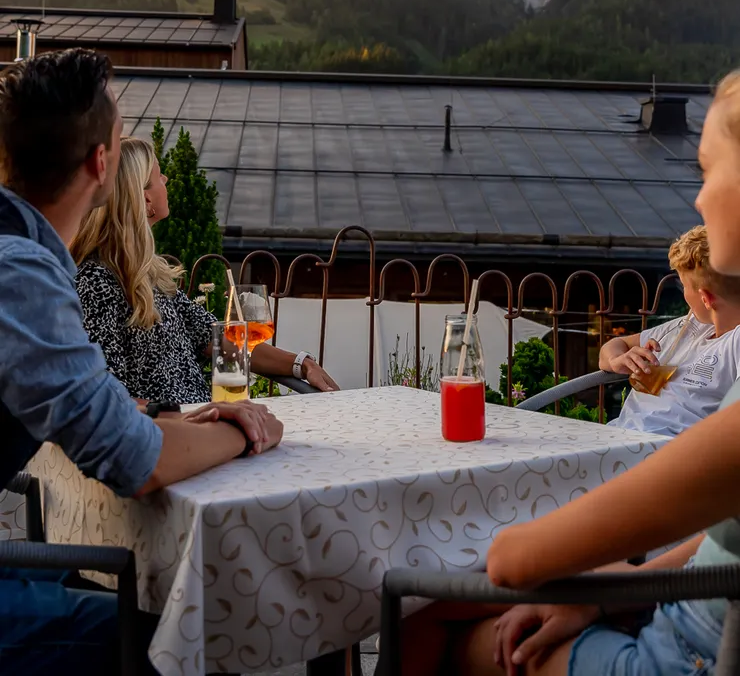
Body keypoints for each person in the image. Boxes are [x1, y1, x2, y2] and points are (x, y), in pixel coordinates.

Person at [402, 71, 740, 676]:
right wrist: (608, 591)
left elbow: (513, 559)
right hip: (680, 606)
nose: (697, 198)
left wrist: (597, 584)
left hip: (681, 656)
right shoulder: (686, 334)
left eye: (708, 170)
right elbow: (722, 544)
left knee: (425, 619)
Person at [0, 49, 284, 676]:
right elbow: (138, 459)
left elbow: (105, 413)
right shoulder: (22, 273)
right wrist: (240, 429)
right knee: (181, 641)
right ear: (101, 164)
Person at [70, 135, 339, 404]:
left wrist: (301, 363)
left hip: (205, 423)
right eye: (159, 175)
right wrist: (209, 420)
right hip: (172, 435)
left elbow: (221, 340)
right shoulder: (96, 283)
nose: (166, 180)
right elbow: (106, 398)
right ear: (145, 199)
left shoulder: (152, 277)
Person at [600, 224, 740, 436]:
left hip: (661, 450)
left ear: (706, 298)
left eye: (684, 286)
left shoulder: (734, 342)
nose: (683, 294)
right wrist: (618, 359)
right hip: (619, 435)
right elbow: (611, 347)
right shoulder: (688, 326)